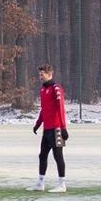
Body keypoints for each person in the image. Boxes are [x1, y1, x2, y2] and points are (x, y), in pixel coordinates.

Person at [29, 64, 69, 193]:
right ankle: (40, 183)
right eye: (40, 74)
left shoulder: (56, 89)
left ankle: (62, 184)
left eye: (42, 74)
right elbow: (44, 109)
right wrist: (38, 123)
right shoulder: (42, 90)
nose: (40, 77)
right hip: (47, 129)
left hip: (56, 128)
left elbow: (60, 108)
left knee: (58, 156)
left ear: (49, 74)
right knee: (42, 155)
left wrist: (63, 127)